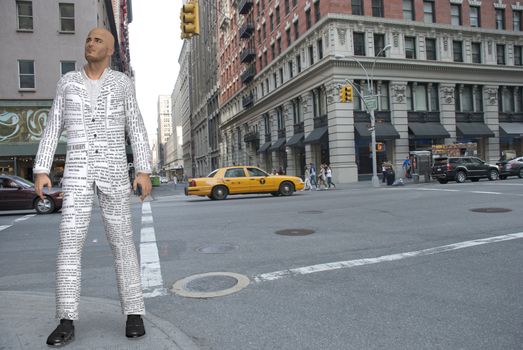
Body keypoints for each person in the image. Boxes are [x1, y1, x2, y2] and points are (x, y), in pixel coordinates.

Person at [34, 28, 152, 347]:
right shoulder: (67, 83)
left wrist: (143, 170)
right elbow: (52, 126)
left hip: (114, 172)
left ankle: (134, 313)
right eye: (88, 39)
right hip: (76, 174)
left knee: (123, 244)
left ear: (110, 49)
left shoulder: (122, 84)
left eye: (98, 40)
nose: (90, 43)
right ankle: (66, 320)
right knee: (69, 244)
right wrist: (42, 169)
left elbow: (137, 127)